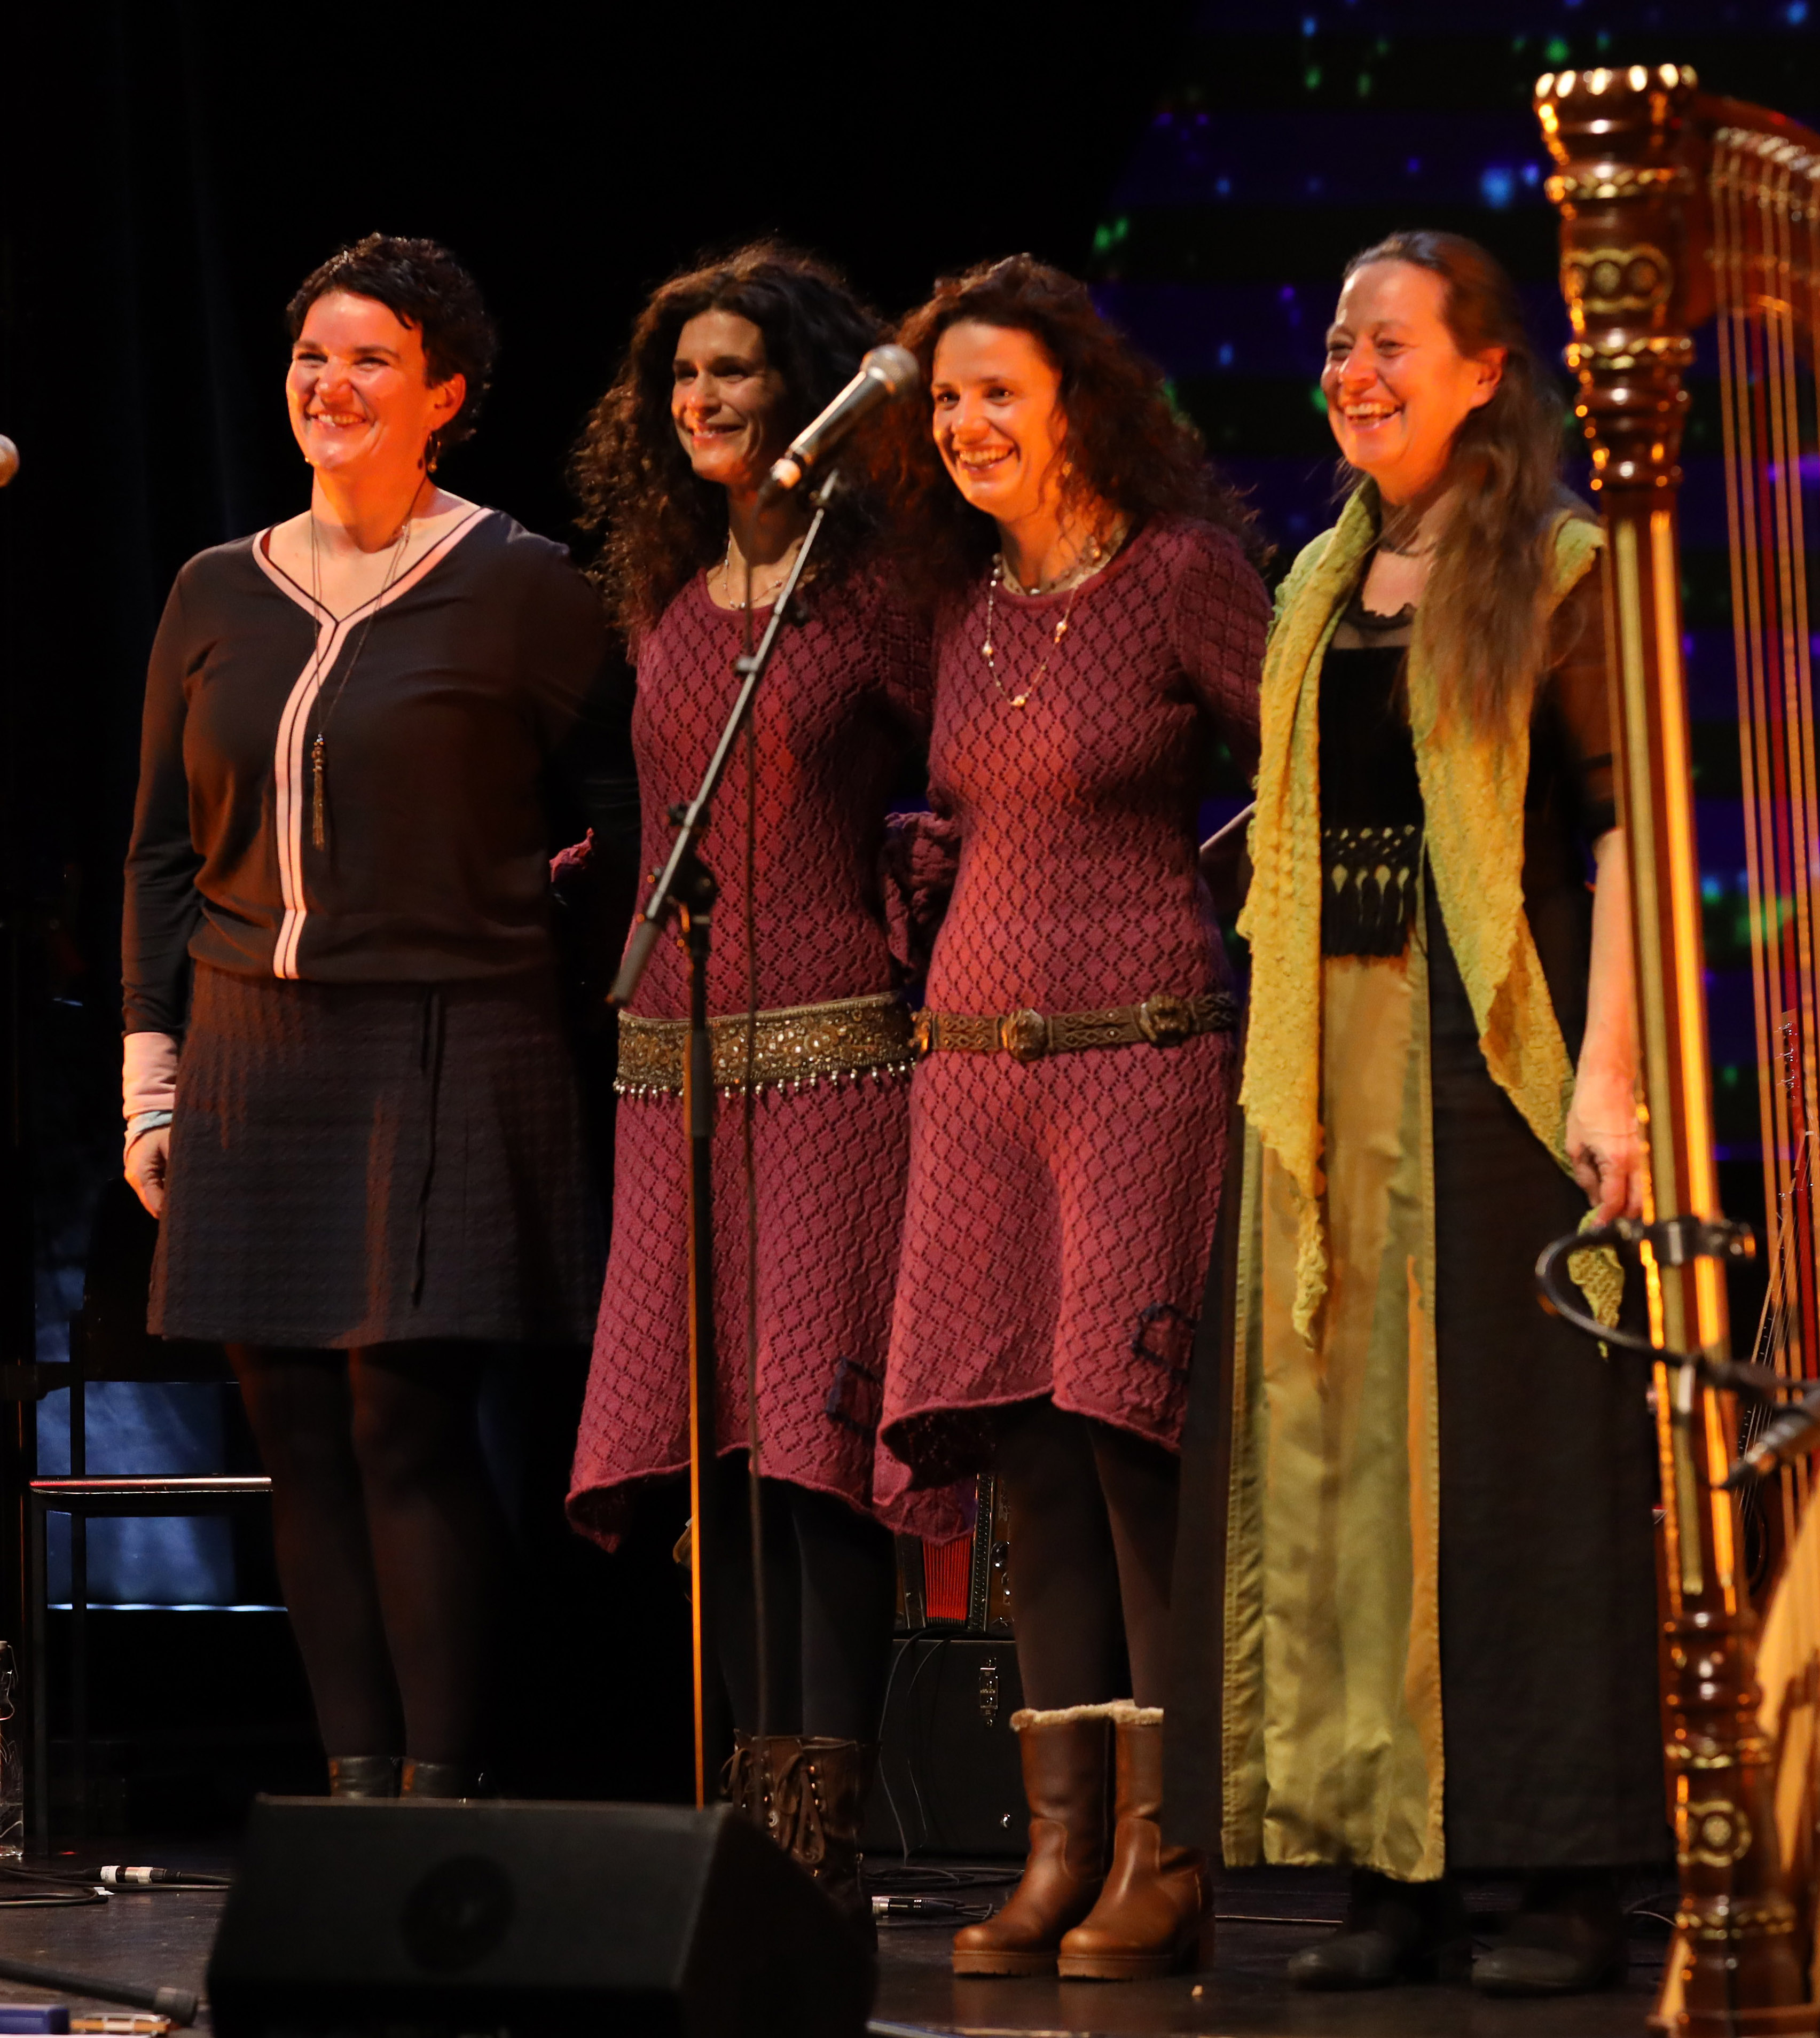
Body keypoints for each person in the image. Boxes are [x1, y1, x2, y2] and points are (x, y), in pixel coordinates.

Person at [1166, 230, 1665, 1998]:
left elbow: (1629, 839)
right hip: (1326, 1062)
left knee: (1511, 1473)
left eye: (1391, 345)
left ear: (1483, 377)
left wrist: (1614, 1073)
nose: (1353, 373)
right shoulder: (1318, 581)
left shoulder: (1565, 569)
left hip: (1494, 1055)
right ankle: (1389, 1867)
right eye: (1336, 345)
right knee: (1335, 1485)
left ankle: (1561, 1872)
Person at [121, 234, 609, 1802]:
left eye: (372, 361)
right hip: (253, 1052)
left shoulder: (523, 586)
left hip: (448, 1045)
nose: (332, 387)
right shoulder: (214, 591)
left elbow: (618, 806)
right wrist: (151, 1085)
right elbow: (155, 856)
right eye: (312, 359)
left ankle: (440, 1801)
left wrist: (530, 923)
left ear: (445, 394)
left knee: (405, 1421)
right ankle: (351, 1794)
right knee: (300, 1443)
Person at [869, 255, 1268, 1982]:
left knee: (1130, 1446)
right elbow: (970, 805)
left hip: (1141, 1058)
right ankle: (1061, 1852)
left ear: (1078, 405)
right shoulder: (960, 608)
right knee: (1024, 1451)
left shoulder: (1179, 576)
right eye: (945, 398)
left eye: (996, 395)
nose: (964, 425)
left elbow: (1309, 767)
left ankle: (1173, 1854)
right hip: (973, 1075)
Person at [562, 244, 944, 1919]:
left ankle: (816, 1826)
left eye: (740, 371)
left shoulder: (873, 591)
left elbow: (962, 780)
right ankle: (742, 1802)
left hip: (837, 1065)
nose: (708, 400)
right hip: (674, 1074)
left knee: (813, 1447)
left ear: (805, 392)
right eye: (686, 376)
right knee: (711, 1447)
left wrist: (919, 889)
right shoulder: (660, 593)